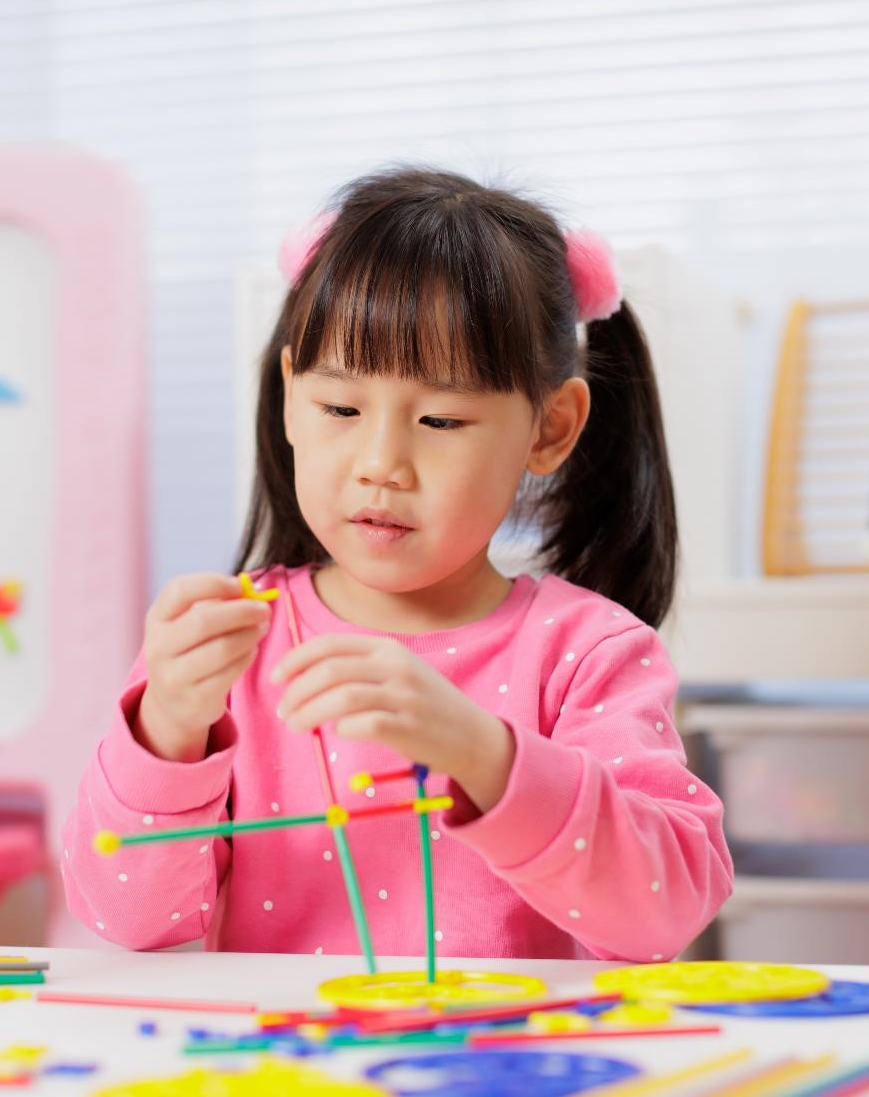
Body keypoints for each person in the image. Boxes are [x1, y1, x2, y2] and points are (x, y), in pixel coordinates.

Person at [62, 167, 732, 962]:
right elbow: (124, 920)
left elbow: (667, 908)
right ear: (288, 399)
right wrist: (166, 729)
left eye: (441, 418)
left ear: (551, 428)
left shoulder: (588, 654)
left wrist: (482, 751)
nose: (381, 462)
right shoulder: (233, 646)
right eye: (340, 408)